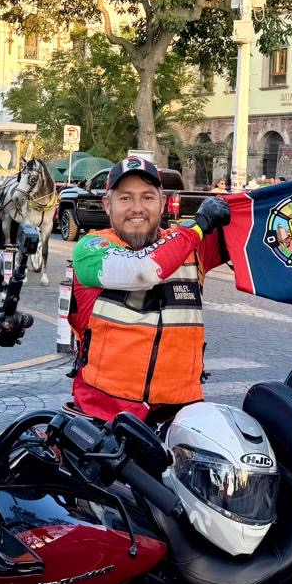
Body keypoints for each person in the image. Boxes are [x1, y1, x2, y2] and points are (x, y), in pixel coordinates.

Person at [70, 157, 230, 423]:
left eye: (147, 197)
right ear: (107, 205)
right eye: (125, 198)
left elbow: (255, 228)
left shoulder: (190, 244)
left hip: (180, 416)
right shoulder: (90, 248)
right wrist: (198, 227)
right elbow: (141, 270)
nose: (137, 208)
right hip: (104, 417)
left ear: (163, 203)